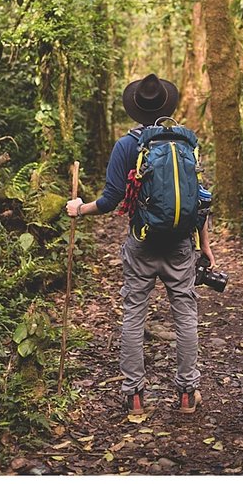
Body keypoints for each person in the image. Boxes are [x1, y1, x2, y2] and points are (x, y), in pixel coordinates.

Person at [65, 73, 216, 415]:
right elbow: (199, 200)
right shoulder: (186, 144)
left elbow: (109, 201)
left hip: (142, 243)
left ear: (135, 109)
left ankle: (134, 396)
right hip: (181, 244)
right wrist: (204, 243)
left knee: (134, 315)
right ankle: (187, 393)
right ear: (167, 106)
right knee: (186, 316)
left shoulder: (127, 145)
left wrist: (79, 208)